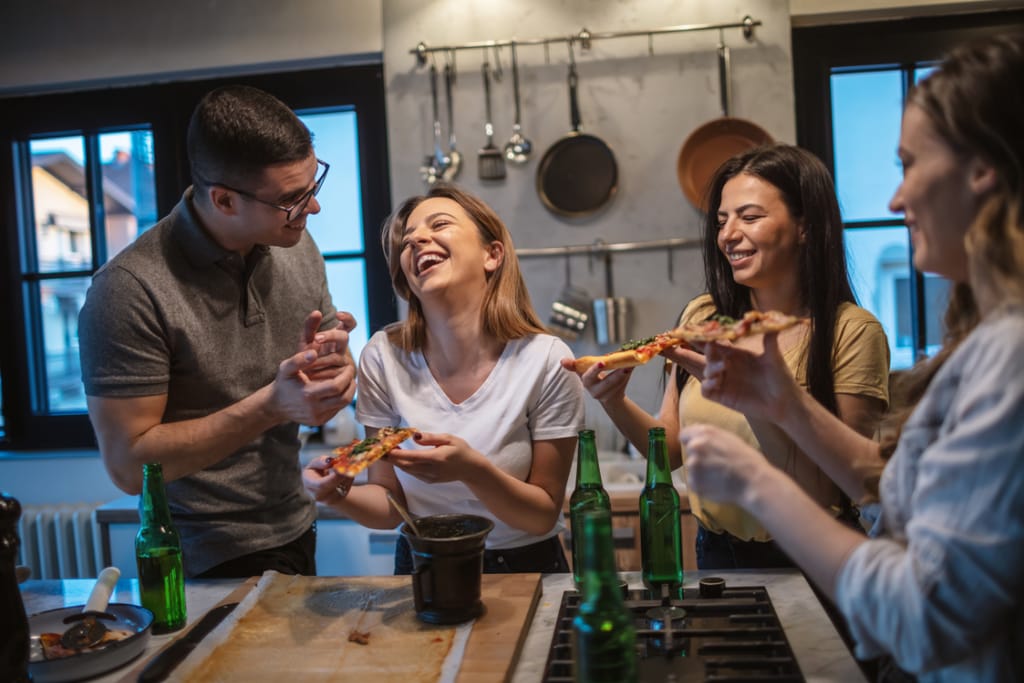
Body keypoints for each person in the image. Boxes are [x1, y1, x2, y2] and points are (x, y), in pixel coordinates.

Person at [680, 34, 1024, 682]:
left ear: (980, 167)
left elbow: (923, 615)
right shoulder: (991, 339)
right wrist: (777, 399)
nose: (897, 200)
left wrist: (755, 482)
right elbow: (889, 488)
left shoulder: (1009, 354)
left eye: (909, 163)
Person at [565, 143, 891, 569]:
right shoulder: (703, 317)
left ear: (805, 227)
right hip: (715, 550)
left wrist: (752, 397)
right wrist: (612, 400)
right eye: (722, 221)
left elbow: (831, 490)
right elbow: (672, 448)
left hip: (809, 555)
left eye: (750, 217)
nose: (728, 234)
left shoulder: (851, 332)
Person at [79, 85, 357, 579]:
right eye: (293, 199)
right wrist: (272, 405)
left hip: (294, 523)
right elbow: (127, 466)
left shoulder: (296, 243)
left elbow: (319, 364)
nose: (312, 210)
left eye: (314, 186)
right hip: (200, 558)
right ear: (224, 200)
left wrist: (334, 369)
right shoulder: (128, 290)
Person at [303, 184, 585, 574]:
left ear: (492, 255)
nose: (416, 239)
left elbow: (540, 517)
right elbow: (389, 502)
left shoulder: (547, 360)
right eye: (407, 239)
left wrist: (472, 470)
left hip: (525, 569)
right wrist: (336, 495)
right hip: (422, 565)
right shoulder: (383, 356)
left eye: (440, 224)